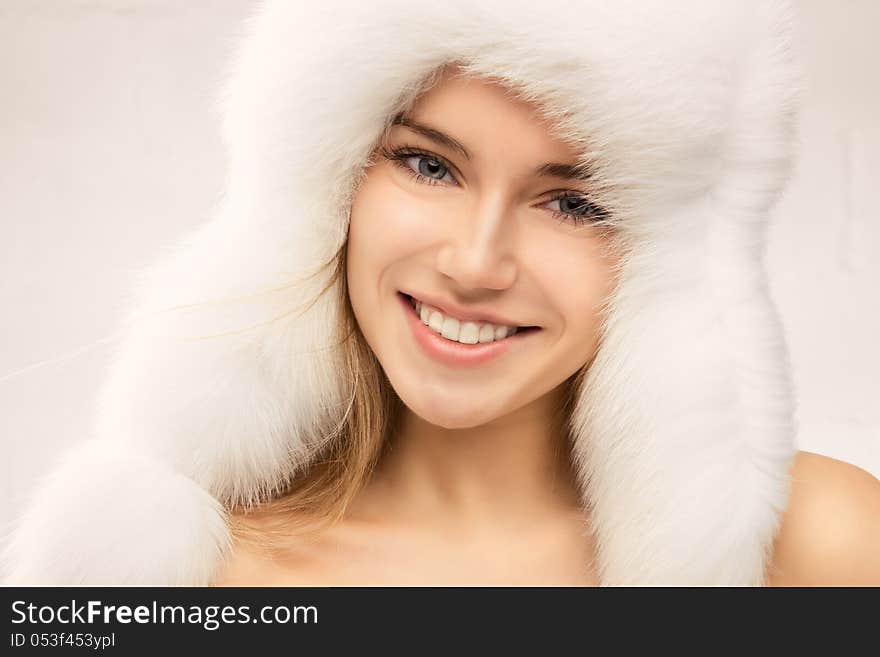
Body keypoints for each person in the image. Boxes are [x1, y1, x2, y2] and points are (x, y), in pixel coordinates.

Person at [3, 0, 879, 586]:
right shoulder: (163, 574)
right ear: (331, 185)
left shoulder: (812, 547)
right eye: (428, 164)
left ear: (671, 256)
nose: (475, 261)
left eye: (575, 202)